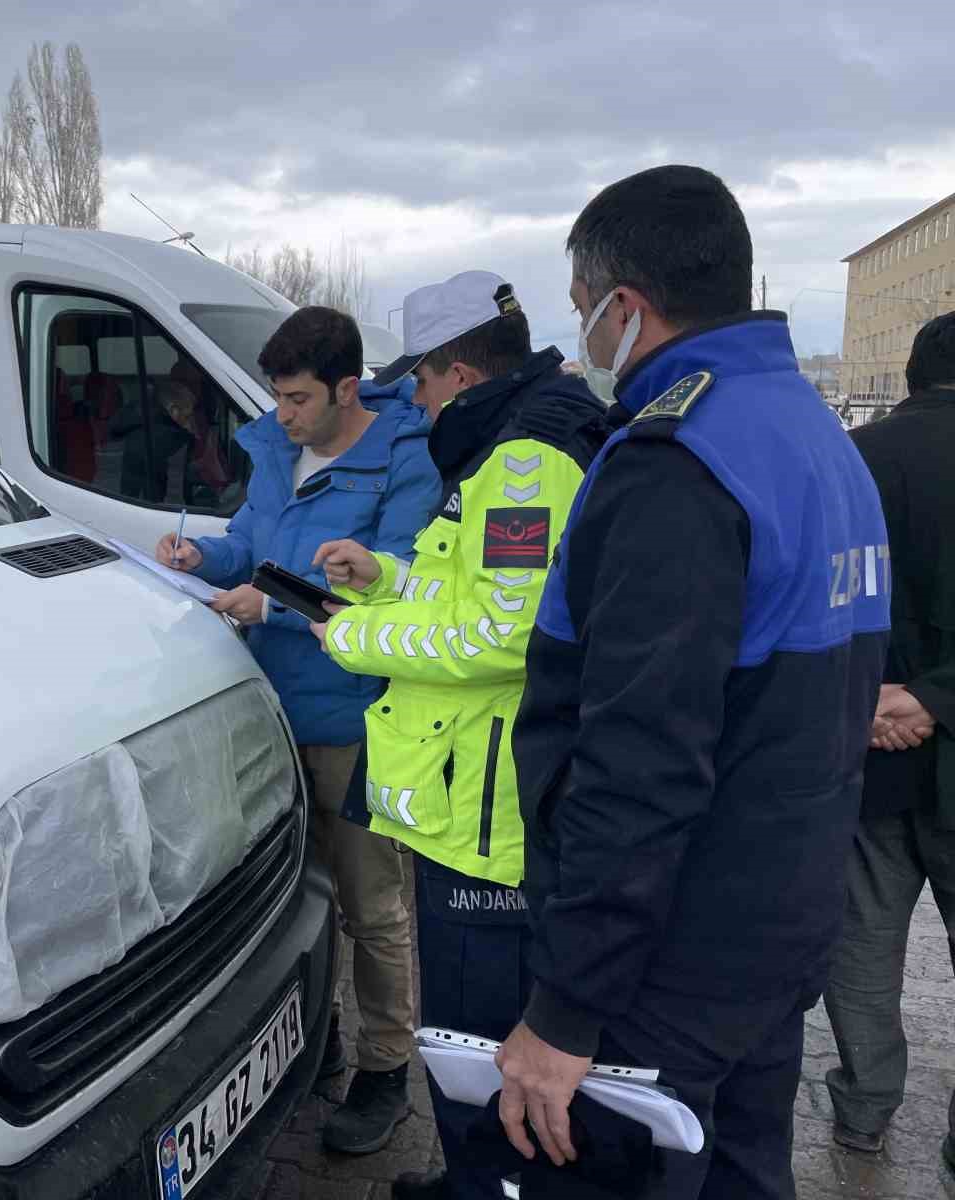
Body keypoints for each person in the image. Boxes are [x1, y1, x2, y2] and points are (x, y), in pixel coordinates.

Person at [502, 165, 890, 1198]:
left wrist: (565, 1010)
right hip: (773, 931)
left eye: (584, 309)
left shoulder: (674, 463)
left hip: (661, 970)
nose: (582, 333)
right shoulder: (810, 435)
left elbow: (639, 763)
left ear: (624, 308)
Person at [308, 272, 607, 1199]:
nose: (419, 402)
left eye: (423, 383)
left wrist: (351, 635)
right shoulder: (499, 448)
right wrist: (383, 577)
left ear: (461, 370)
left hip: (488, 821)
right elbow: (468, 591)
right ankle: (469, 1176)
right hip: (465, 801)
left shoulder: (524, 460)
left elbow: (506, 635)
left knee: (478, 1041)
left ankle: (486, 1187)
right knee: (467, 1029)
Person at [158, 305, 437, 1153]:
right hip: (272, 714)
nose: (281, 414)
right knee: (295, 899)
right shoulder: (277, 451)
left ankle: (386, 1068)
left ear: (347, 388)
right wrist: (206, 559)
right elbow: (254, 542)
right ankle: (315, 1044)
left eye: (297, 399)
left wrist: (269, 606)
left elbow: (394, 589)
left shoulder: (406, 463)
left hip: (356, 720)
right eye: (277, 397)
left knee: (372, 904)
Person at [823, 311, 955, 1169]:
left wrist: (869, 701)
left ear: (907, 377)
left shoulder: (855, 463)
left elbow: (823, 600)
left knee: (864, 943)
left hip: (870, 749)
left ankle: (865, 1107)